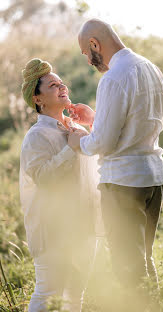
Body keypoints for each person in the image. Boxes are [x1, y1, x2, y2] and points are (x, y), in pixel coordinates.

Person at [68, 18, 163, 311]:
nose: (87, 60)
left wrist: (79, 142)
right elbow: (137, 122)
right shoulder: (151, 68)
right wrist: (97, 119)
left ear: (95, 44)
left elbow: (104, 144)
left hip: (123, 183)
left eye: (86, 52)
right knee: (145, 260)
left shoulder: (113, 78)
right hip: (154, 178)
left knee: (127, 268)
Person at [20, 58, 97, 312]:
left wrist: (93, 123)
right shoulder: (36, 136)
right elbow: (41, 178)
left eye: (62, 83)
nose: (62, 87)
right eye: (53, 85)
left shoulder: (77, 128)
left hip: (84, 224)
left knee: (76, 295)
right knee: (47, 294)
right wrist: (70, 151)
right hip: (53, 228)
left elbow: (102, 157)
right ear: (38, 99)